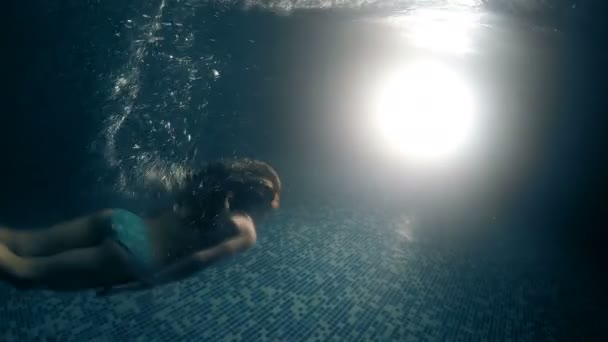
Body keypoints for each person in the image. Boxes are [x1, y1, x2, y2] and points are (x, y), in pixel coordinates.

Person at [0, 158, 281, 292]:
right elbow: (199, 258)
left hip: (122, 220)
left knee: (24, 242)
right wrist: (145, 284)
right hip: (132, 254)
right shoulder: (245, 230)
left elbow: (153, 179)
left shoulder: (206, 184)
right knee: (25, 273)